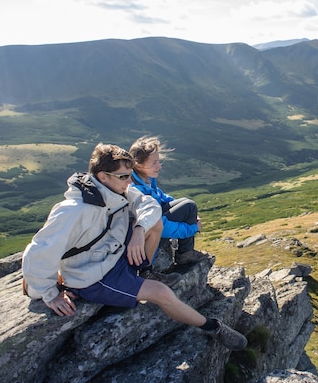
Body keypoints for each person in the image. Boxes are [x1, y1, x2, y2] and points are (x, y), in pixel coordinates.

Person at [22, 143, 246, 351]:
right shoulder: (72, 210)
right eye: (124, 177)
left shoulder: (116, 191)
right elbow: (39, 251)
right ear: (102, 176)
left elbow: (149, 206)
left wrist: (139, 230)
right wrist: (50, 294)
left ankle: (144, 271)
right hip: (95, 276)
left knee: (154, 223)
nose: (130, 182)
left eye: (129, 176)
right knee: (161, 293)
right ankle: (213, 327)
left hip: (111, 256)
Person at [129, 136, 207, 265]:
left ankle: (186, 253)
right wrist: (192, 228)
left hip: (153, 225)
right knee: (189, 206)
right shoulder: (136, 190)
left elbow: (161, 197)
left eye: (158, 161)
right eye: (154, 163)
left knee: (188, 206)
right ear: (138, 165)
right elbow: (161, 226)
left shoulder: (145, 179)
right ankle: (184, 255)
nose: (159, 166)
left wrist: (190, 214)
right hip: (148, 237)